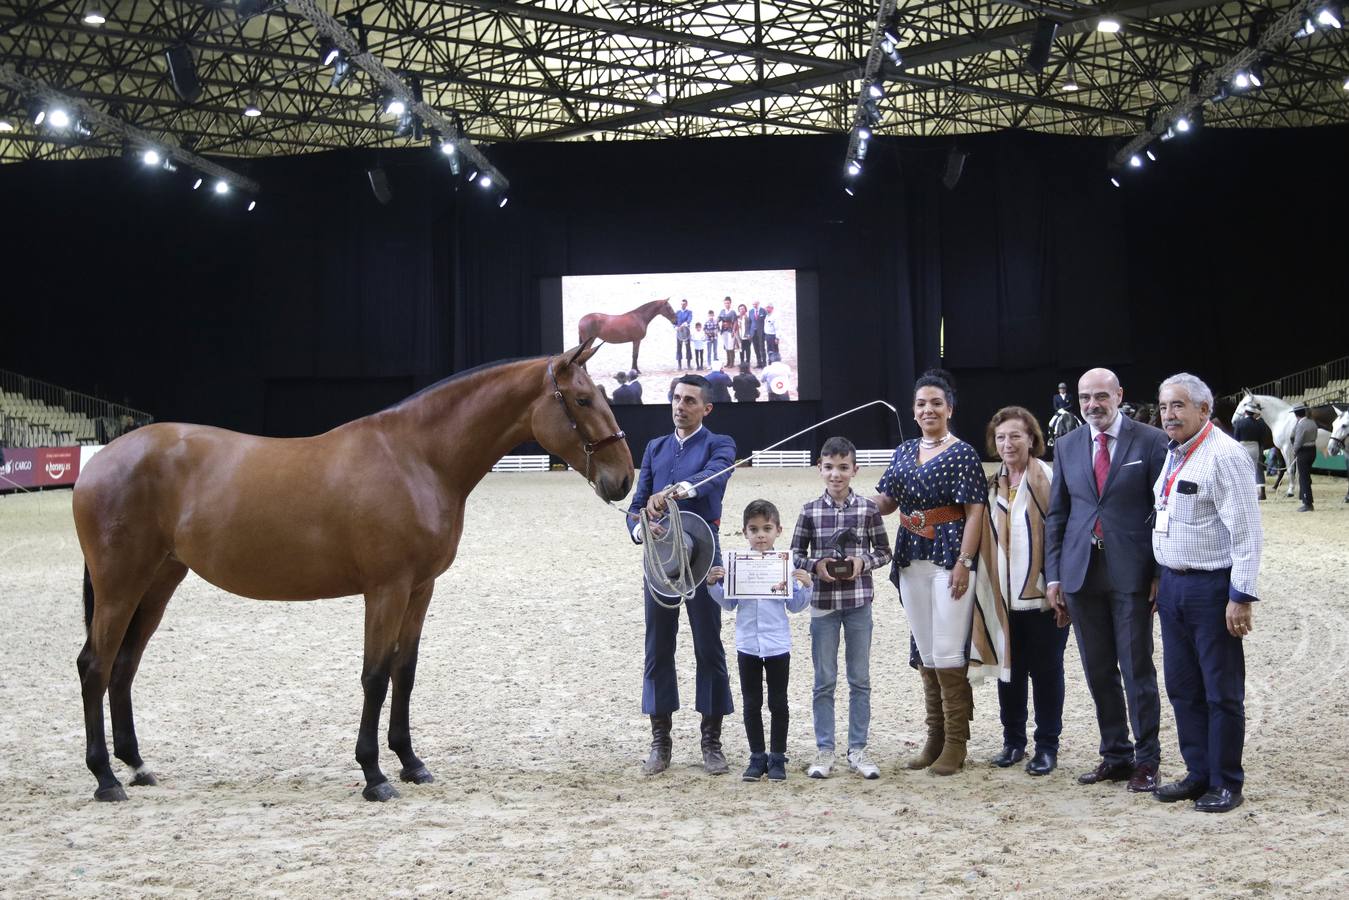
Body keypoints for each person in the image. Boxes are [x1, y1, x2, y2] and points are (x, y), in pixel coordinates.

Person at [1045, 368, 1168, 793]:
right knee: (1098, 670)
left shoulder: (1150, 441)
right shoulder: (1066, 445)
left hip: (1132, 573)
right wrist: (1055, 575)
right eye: (1084, 398)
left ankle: (1147, 759)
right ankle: (1115, 755)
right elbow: (1058, 513)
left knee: (1136, 668)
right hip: (1081, 575)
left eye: (1100, 396)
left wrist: (1157, 572)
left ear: (1119, 394)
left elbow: (1161, 511)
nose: (1092, 405)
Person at [1150, 373, 1263, 813]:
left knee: (1221, 690)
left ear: (1204, 409)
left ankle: (1227, 781)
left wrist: (1241, 596)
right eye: (1163, 406)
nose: (1169, 415)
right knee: (1182, 687)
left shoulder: (1226, 455)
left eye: (1178, 406)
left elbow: (1248, 535)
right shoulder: (1174, 453)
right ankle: (1198, 773)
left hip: (1212, 588)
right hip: (1174, 585)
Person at [873, 369, 987, 776]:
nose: (928, 409)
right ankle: (935, 736)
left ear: (949, 408)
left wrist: (965, 561)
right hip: (910, 556)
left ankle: (956, 741)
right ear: (914, 409)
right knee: (924, 651)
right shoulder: (903, 450)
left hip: (948, 556)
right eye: (921, 403)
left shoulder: (963, 453)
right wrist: (848, 502)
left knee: (947, 649)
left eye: (936, 403)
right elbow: (886, 502)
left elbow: (975, 510)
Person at [627, 375, 737, 775]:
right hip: (661, 558)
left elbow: (715, 477)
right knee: (658, 647)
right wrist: (643, 527)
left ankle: (711, 741)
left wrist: (673, 492)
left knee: (709, 646)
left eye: (690, 400)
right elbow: (637, 505)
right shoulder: (655, 447)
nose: (680, 406)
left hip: (704, 553)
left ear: (706, 408)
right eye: (676, 399)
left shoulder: (720, 444)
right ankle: (661, 741)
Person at [972, 407, 1069, 776]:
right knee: (1009, 671)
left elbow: (1061, 534)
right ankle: (1013, 741)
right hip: (1002, 596)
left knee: (1046, 673)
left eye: (1015, 436)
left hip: (1043, 597)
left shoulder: (1047, 477)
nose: (1008, 443)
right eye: (1001, 437)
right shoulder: (993, 482)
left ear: (1032, 438)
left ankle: (1047, 746)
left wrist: (1058, 584)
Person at [791, 436, 892, 780]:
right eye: (830, 467)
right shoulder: (809, 511)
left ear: (854, 469)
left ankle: (858, 749)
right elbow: (794, 555)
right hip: (822, 605)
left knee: (859, 678)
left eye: (843, 468)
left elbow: (884, 551)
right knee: (824, 679)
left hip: (858, 603)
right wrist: (816, 565)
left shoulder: (867, 509)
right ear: (820, 468)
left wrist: (862, 563)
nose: (836, 475)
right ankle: (824, 749)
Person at [709, 499, 812, 782]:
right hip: (747, 645)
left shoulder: (784, 567)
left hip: (778, 644)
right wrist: (714, 585)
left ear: (778, 530)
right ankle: (757, 756)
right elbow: (729, 605)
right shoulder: (737, 567)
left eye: (767, 528)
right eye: (754, 529)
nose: (761, 535)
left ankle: (777, 757)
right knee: (752, 703)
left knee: (779, 703)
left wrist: (806, 586)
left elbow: (795, 606)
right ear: (744, 533)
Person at [1231, 407, 1267, 499]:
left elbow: (1236, 438)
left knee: (1242, 469)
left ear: (1245, 412)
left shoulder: (1239, 423)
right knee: (1255, 469)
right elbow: (1261, 439)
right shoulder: (1259, 423)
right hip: (1255, 447)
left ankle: (1245, 491)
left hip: (1242, 446)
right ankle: (1258, 491)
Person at [1292, 404, 1317, 512]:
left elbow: (1297, 442)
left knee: (1303, 477)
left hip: (1303, 451)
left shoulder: (1301, 425)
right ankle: (1304, 496)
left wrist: (1294, 451)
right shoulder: (1312, 422)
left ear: (1296, 414)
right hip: (1312, 449)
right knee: (1306, 476)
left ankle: (1307, 502)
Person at [717, 297, 739, 369]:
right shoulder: (722, 311)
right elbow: (719, 318)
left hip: (730, 330)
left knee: (730, 346)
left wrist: (733, 330)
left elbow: (735, 322)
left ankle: (732, 362)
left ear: (730, 303)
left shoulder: (732, 312)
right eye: (725, 303)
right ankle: (728, 361)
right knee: (726, 346)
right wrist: (716, 322)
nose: (727, 304)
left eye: (728, 303)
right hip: (724, 330)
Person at [736, 303, 756, 370]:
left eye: (743, 309)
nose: (741, 310)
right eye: (740, 309)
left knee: (747, 350)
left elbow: (751, 326)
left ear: (745, 309)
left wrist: (750, 334)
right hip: (740, 336)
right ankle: (742, 362)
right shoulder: (738, 318)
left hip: (747, 336)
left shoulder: (748, 317)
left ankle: (747, 362)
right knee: (741, 350)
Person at [749, 300, 767, 368]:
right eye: (753, 304)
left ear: (758, 304)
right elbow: (750, 322)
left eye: (755, 304)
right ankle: (759, 363)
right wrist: (750, 333)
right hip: (753, 332)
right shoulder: (751, 311)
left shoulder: (763, 311)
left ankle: (764, 363)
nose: (754, 305)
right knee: (756, 348)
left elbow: (766, 321)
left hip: (761, 332)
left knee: (762, 348)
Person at [674, 300, 693, 368]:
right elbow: (674, 321)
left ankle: (688, 364)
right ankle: (679, 364)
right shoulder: (677, 312)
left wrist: (685, 324)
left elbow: (689, 319)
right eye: (682, 304)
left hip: (686, 332)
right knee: (679, 348)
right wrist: (675, 327)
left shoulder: (689, 312)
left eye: (684, 304)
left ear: (686, 304)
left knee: (688, 348)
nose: (683, 305)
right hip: (679, 332)